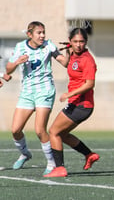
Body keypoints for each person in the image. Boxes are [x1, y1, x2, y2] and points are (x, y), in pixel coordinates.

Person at [6, 21, 69, 175]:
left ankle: (52, 163)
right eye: (38, 33)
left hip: (45, 91)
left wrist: (69, 51)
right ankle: (26, 154)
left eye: (43, 32)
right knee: (15, 130)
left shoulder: (49, 46)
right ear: (30, 34)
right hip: (27, 92)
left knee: (40, 130)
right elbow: (8, 69)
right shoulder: (21, 46)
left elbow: (65, 63)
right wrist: (17, 62)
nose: (42, 36)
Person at [44, 28, 99, 177]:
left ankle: (59, 168)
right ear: (70, 42)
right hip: (76, 103)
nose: (79, 45)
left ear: (86, 42)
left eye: (82, 41)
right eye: (75, 42)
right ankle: (89, 155)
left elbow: (89, 84)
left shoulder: (87, 60)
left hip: (82, 104)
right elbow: (68, 64)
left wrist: (70, 93)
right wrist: (66, 50)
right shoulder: (74, 54)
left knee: (53, 132)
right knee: (63, 134)